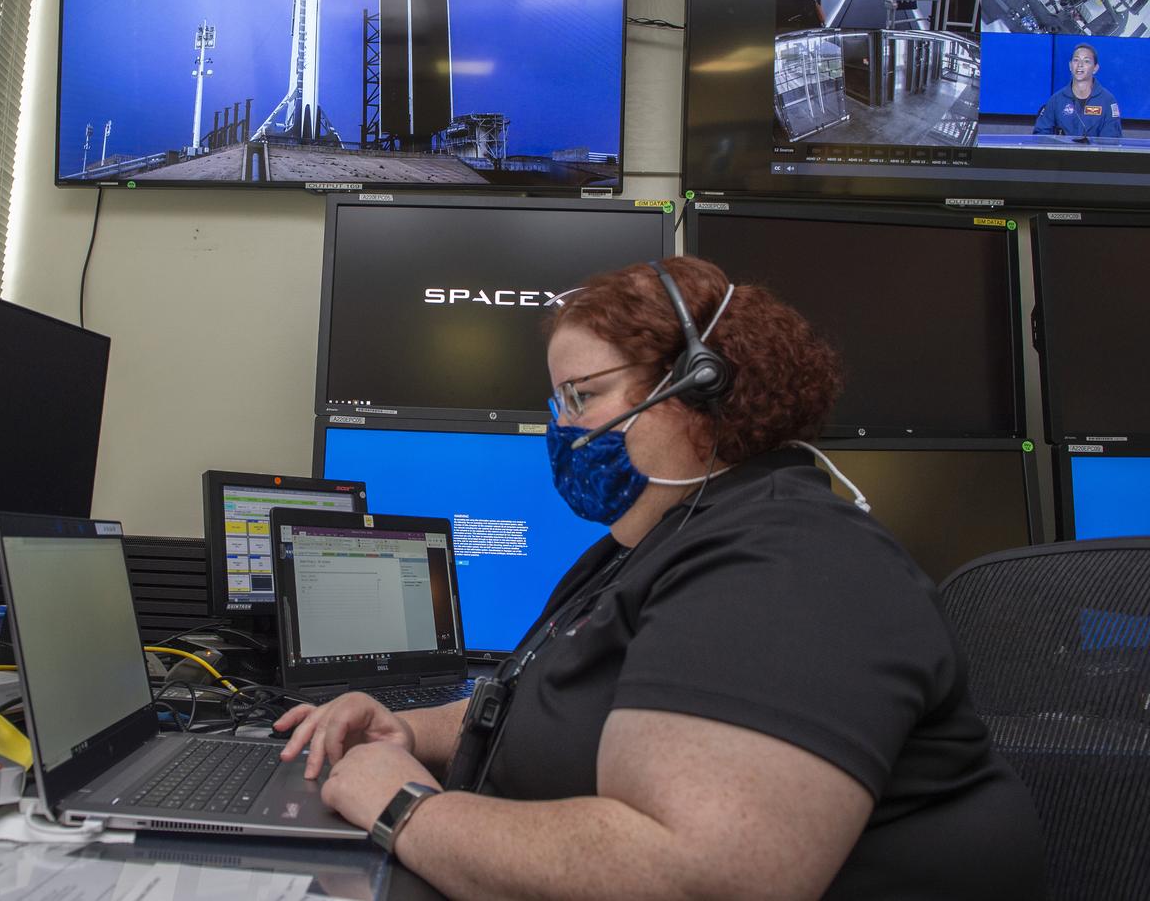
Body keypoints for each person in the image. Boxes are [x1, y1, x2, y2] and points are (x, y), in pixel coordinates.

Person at [274, 257, 1045, 900]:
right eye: (559, 400)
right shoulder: (662, 540)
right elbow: (553, 702)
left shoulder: (788, 565)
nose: (563, 427)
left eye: (584, 395)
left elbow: (696, 875)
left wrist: (404, 807)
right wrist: (407, 729)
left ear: (702, 388)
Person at [1034, 42, 1122, 138]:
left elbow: (1112, 140)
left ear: (1095, 68)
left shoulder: (1108, 101)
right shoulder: (1056, 100)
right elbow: (1041, 135)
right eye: (1076, 60)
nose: (1080, 65)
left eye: (1086, 61)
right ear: (1070, 66)